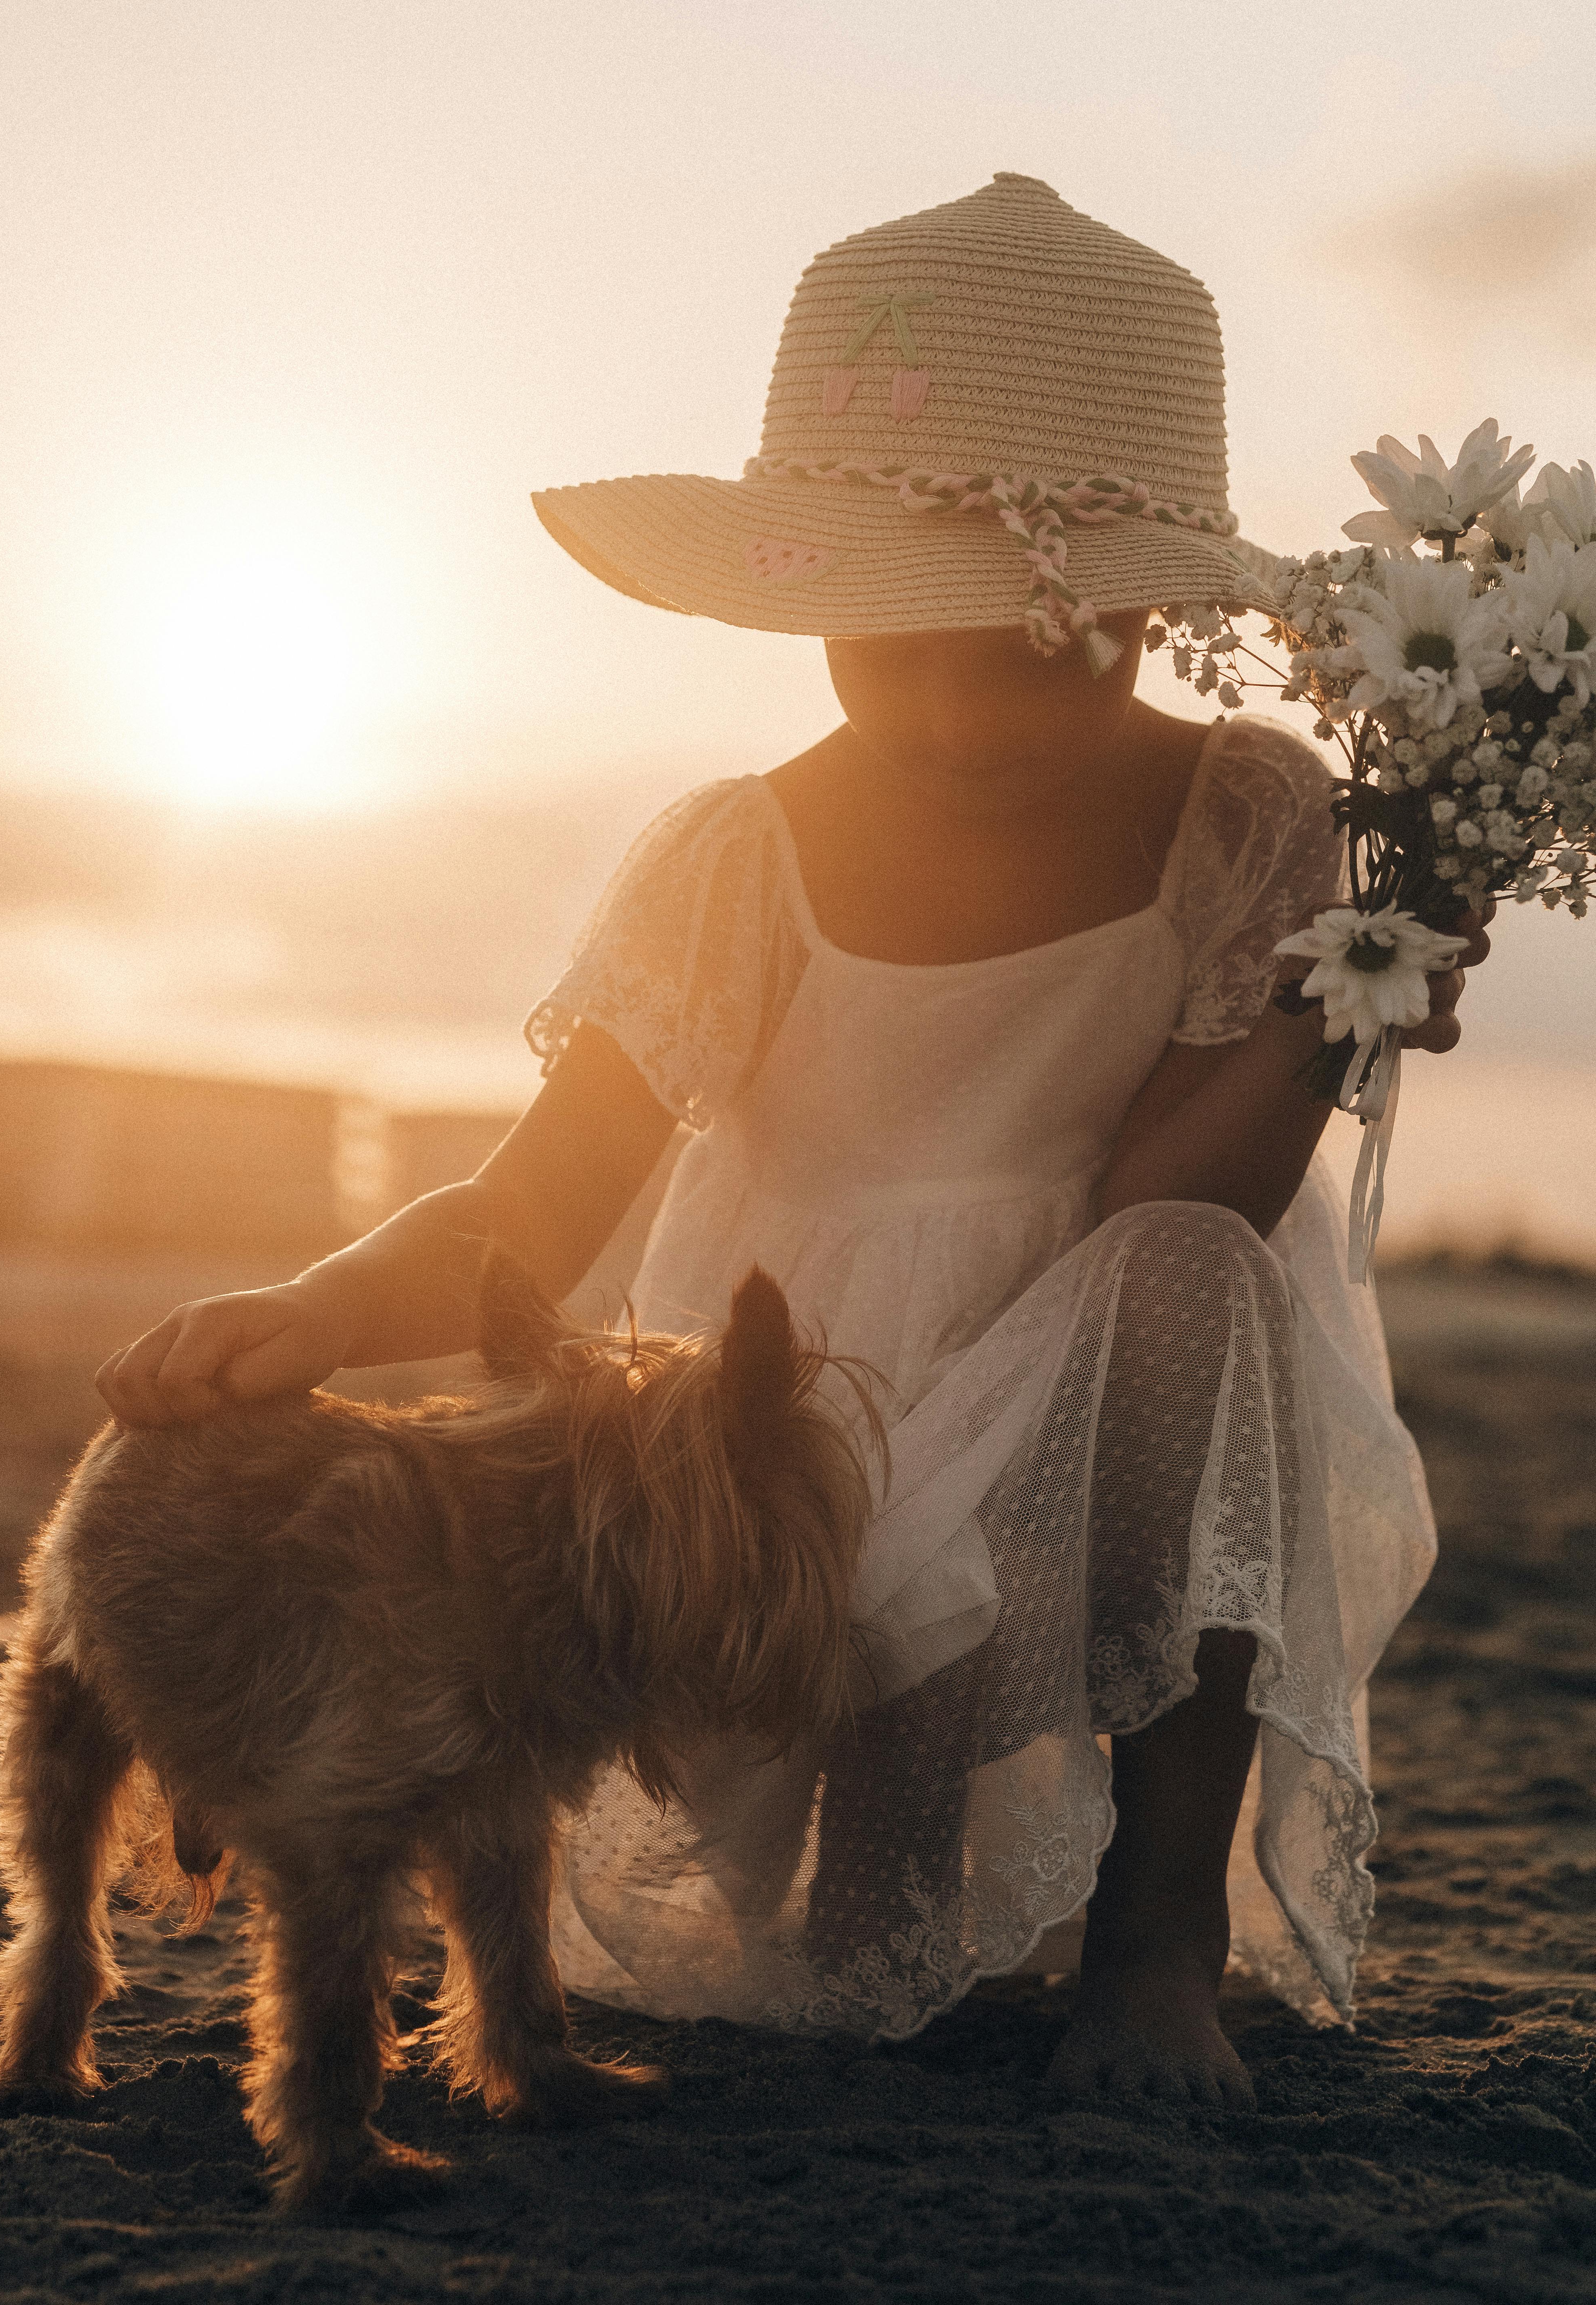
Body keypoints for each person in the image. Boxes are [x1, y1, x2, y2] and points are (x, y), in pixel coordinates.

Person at [99, 175, 1480, 2106]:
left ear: (1147, 610)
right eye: (881, 636)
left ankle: (1148, 1938)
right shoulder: (740, 853)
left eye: (1020, 647)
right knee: (846, 1907)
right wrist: (328, 1304)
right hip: (776, 1458)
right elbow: (536, 1201)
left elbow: (1172, 1208)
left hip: (1082, 1401)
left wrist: (1336, 1005)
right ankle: (874, 1905)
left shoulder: (1243, 815)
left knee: (1198, 1289)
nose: (944, 710)